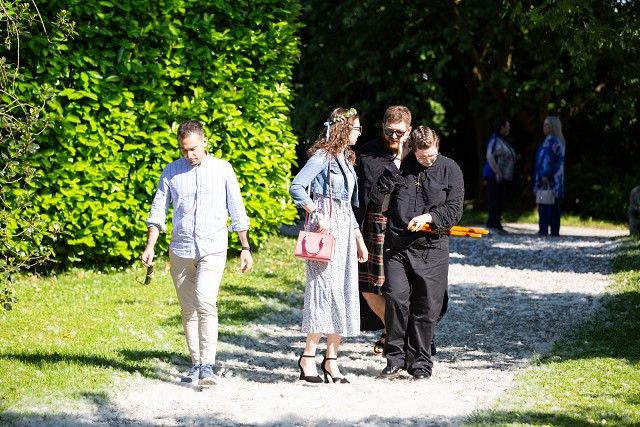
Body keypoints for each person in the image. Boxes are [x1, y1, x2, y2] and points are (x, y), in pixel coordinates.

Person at [141, 120, 253, 386]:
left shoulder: (223, 169)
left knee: (205, 301)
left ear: (204, 142)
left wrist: (245, 247)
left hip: (213, 247)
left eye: (193, 149)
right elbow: (158, 212)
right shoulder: (171, 171)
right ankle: (196, 364)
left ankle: (208, 365)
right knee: (188, 309)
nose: (189, 154)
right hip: (180, 249)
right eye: (184, 150)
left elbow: (237, 209)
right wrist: (150, 246)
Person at [377, 125, 464, 380]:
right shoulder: (401, 165)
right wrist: (398, 158)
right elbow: (379, 194)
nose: (428, 160)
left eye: (432, 155)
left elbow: (455, 209)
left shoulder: (450, 169)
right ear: (412, 149)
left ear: (438, 148)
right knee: (396, 299)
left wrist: (430, 217)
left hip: (432, 246)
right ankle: (395, 359)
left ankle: (420, 363)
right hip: (397, 246)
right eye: (422, 156)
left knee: (426, 307)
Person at [289, 107, 368, 384]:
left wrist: (358, 238)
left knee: (344, 291)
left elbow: (346, 205)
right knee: (324, 292)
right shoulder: (323, 156)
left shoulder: (346, 158)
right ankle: (308, 357)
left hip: (344, 230)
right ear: (343, 129)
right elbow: (297, 187)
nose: (360, 133)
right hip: (325, 229)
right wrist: (317, 213)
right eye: (357, 128)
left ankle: (331, 360)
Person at [354, 105, 412, 355]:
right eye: (390, 131)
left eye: (400, 132)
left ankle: (396, 336)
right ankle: (394, 332)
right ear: (382, 127)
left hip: (406, 226)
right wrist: (397, 160)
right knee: (370, 289)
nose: (394, 137)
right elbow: (377, 196)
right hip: (375, 224)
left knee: (401, 288)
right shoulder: (368, 154)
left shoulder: (416, 154)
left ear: (409, 130)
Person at [482, 117, 517, 233]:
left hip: (501, 177)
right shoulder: (495, 140)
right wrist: (497, 172)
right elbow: (490, 156)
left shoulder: (502, 140)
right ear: (502, 128)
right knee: (494, 200)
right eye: (507, 126)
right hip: (494, 176)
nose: (509, 128)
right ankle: (492, 225)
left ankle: (496, 224)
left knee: (499, 200)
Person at [533, 115, 566, 236]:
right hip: (556, 179)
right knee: (554, 203)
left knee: (545, 203)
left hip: (548, 179)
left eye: (548, 125)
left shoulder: (551, 143)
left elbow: (547, 160)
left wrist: (544, 174)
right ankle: (554, 230)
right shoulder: (558, 142)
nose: (545, 127)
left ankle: (544, 229)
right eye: (544, 124)